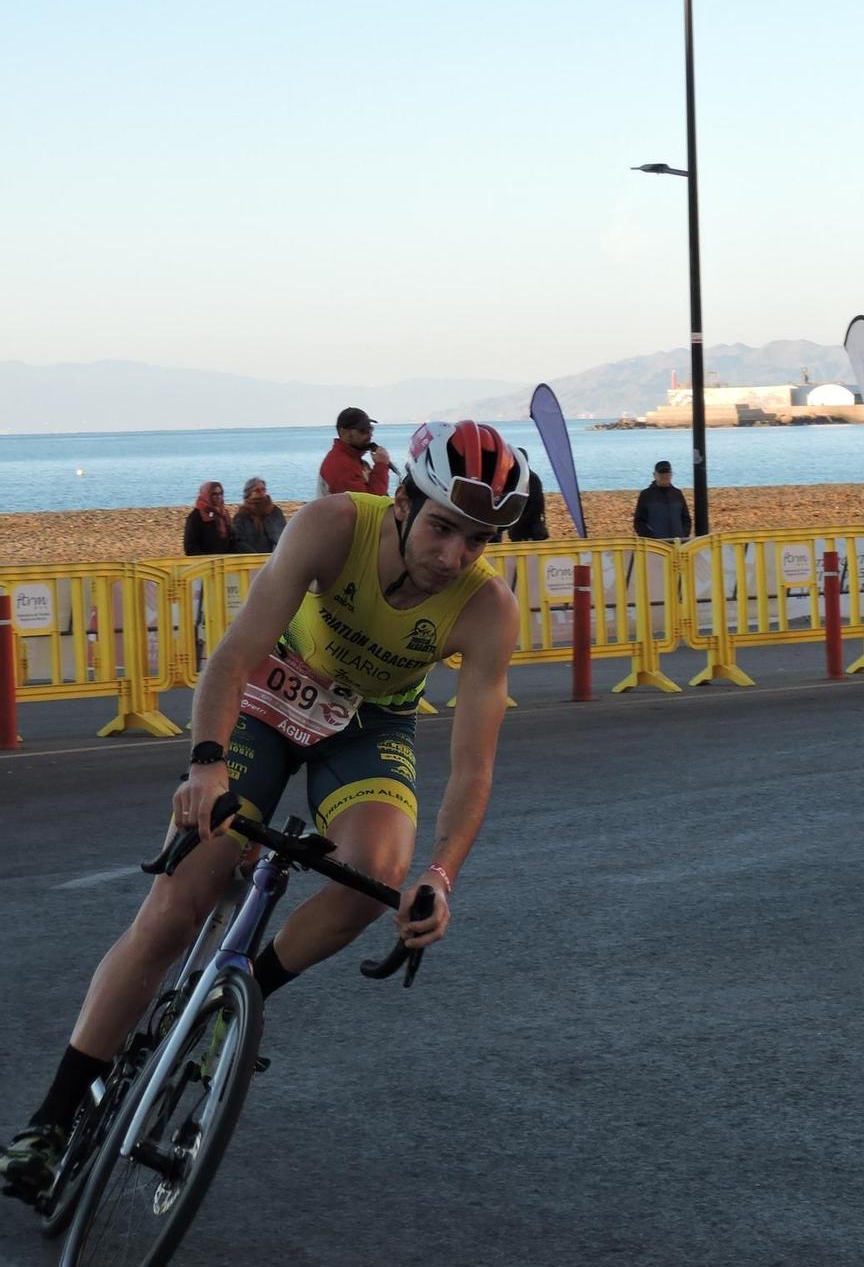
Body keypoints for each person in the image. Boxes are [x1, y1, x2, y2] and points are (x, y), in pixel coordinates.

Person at [2, 420, 528, 1203]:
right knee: (179, 903)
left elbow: (474, 762)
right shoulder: (334, 525)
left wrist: (442, 877)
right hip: (266, 699)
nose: (452, 557)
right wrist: (206, 766)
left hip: (367, 726)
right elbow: (237, 649)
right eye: (444, 528)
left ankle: (234, 1004)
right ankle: (51, 1117)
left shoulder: (487, 610)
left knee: (375, 871)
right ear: (406, 501)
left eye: (477, 541)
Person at [319, 407, 393, 498]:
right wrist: (381, 466)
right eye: (363, 430)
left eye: (370, 429)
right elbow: (369, 505)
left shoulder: (353, 461)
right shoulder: (340, 465)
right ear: (344, 433)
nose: (370, 434)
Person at [633, 460, 691, 539]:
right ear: (654, 475)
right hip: (655, 546)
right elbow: (639, 522)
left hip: (677, 544)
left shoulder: (677, 493)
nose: (664, 475)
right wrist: (651, 538)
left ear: (671, 474)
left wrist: (684, 535)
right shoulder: (646, 495)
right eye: (661, 472)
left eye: (667, 472)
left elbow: (686, 519)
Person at [232, 476, 287, 554]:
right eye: (257, 490)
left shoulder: (274, 512)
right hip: (251, 559)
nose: (261, 493)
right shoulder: (242, 515)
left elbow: (282, 536)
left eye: (263, 490)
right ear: (249, 494)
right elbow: (239, 541)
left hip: (274, 556)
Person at [183, 480, 235, 556]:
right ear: (206, 495)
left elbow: (232, 538)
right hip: (205, 563)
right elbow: (190, 546)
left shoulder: (224, 513)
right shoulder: (196, 516)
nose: (218, 497)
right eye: (214, 494)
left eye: (220, 493)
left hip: (225, 562)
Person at [509, 468, 550, 542]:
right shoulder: (520, 477)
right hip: (519, 528)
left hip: (530, 530)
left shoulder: (530, 478)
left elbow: (537, 506)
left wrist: (518, 521)